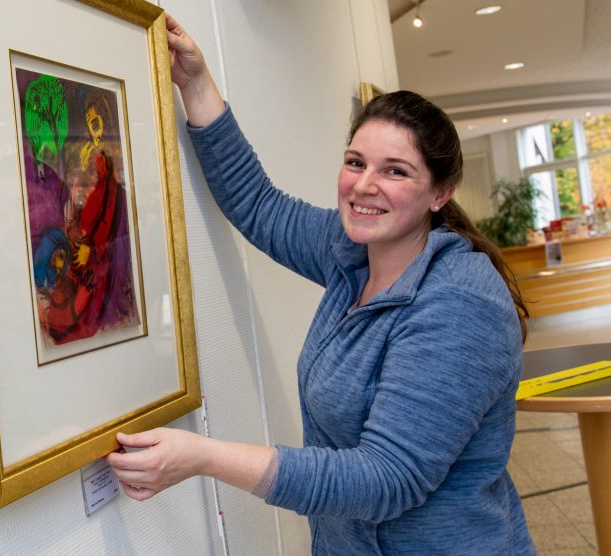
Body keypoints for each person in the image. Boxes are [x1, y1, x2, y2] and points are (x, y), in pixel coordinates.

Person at [105, 15, 535, 555]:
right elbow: (258, 205)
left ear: (440, 192)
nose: (365, 185)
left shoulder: (459, 302)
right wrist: (194, 82)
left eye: (396, 171)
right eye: (355, 162)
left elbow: (386, 478)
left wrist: (203, 457)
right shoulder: (351, 251)